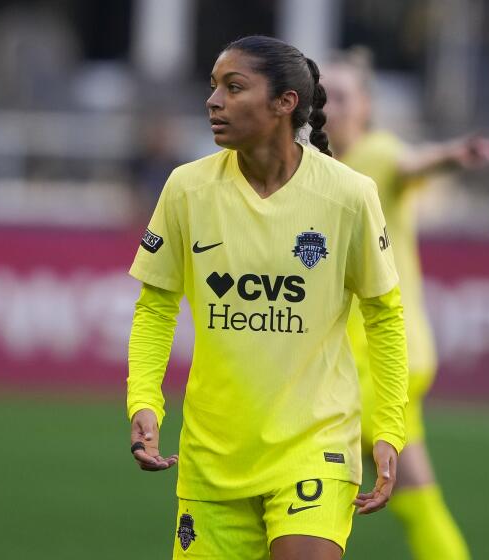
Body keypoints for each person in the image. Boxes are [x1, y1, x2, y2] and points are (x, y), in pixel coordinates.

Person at [126, 36, 409, 560]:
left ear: (285, 103)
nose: (213, 101)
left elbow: (385, 316)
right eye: (213, 88)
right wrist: (144, 402)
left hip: (314, 447)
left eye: (234, 88)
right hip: (214, 457)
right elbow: (156, 306)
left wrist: (388, 428)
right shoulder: (186, 189)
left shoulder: (348, 195)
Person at [321, 49, 489, 560]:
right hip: (393, 358)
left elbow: (408, 163)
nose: (329, 107)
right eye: (322, 96)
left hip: (372, 364)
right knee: (417, 495)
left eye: (341, 97)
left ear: (366, 106)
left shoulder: (373, 155)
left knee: (299, 479)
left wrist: (449, 155)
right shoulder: (326, 167)